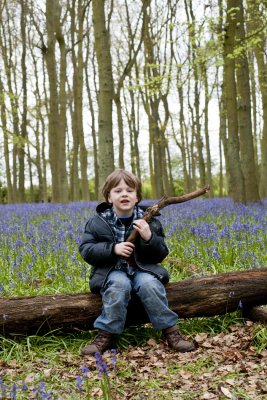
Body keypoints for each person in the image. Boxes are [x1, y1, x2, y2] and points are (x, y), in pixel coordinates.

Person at [79, 169, 195, 355]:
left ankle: (170, 331)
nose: (124, 194)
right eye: (118, 191)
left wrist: (148, 237)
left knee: (150, 284)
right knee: (119, 284)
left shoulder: (149, 220)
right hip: (111, 271)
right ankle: (106, 334)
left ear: (137, 197)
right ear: (109, 197)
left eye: (130, 190)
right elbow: (86, 250)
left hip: (143, 270)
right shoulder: (98, 222)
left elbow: (160, 254)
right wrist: (113, 249)